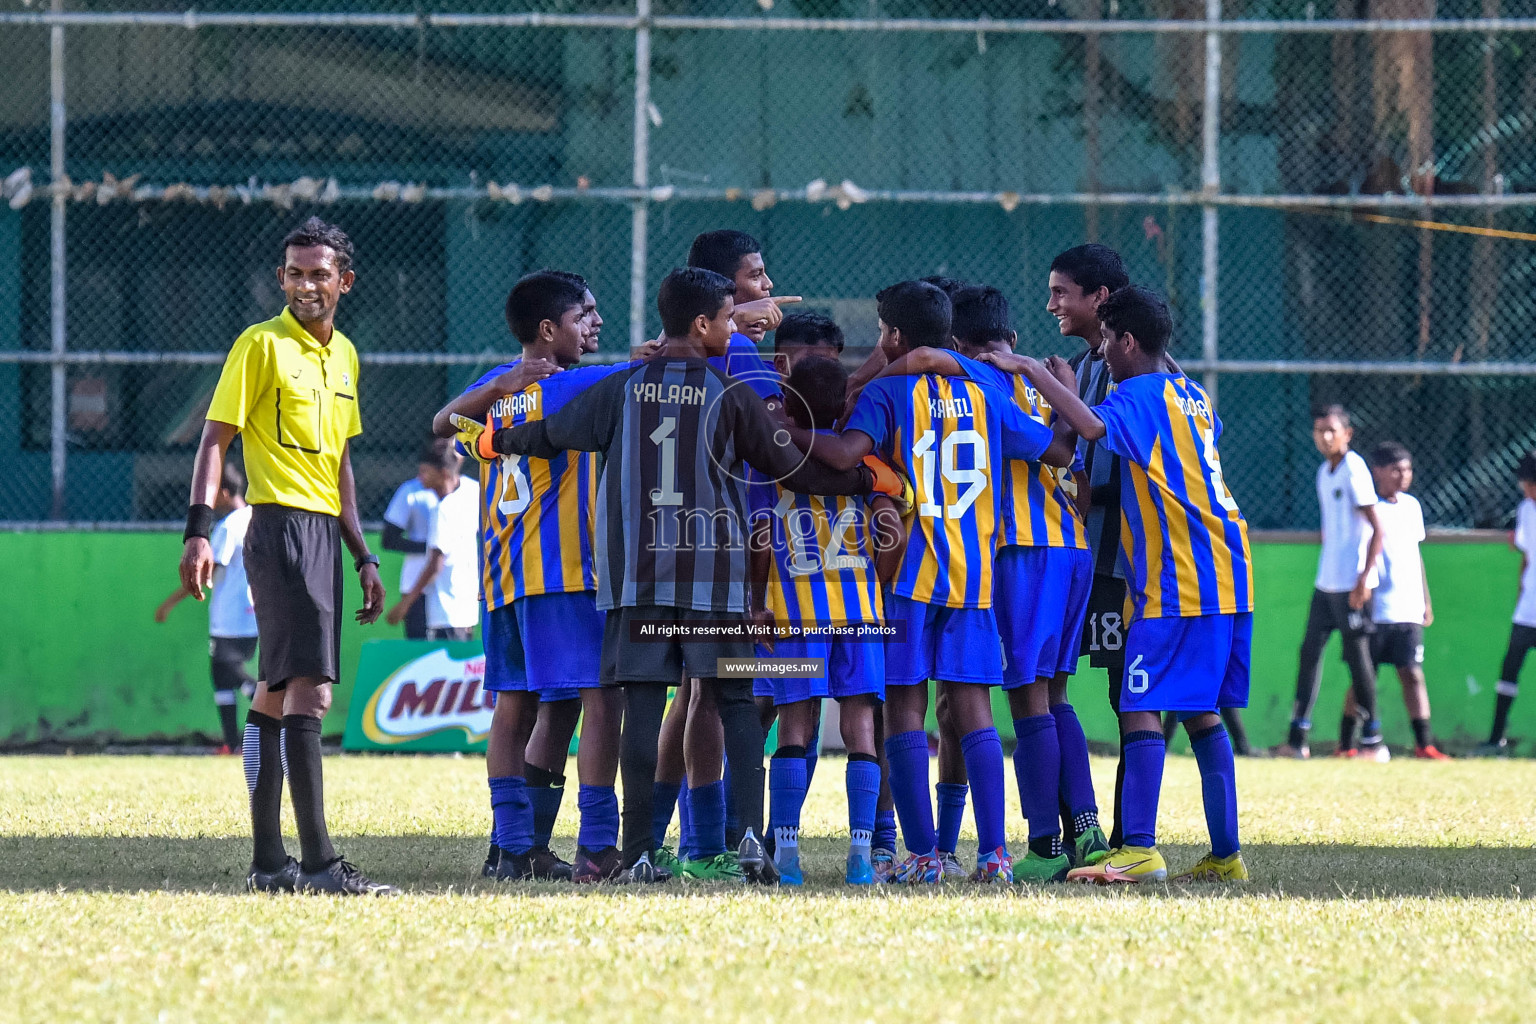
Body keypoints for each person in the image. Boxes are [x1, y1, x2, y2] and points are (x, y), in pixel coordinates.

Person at [466, 266, 891, 884]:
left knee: (642, 706)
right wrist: (864, 478)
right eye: (724, 319)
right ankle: (748, 839)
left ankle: (637, 851)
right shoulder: (731, 392)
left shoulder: (620, 388)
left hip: (635, 581)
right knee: (738, 701)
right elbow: (795, 466)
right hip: (715, 581)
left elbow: (549, 435)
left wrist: (488, 441)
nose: (731, 330)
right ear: (701, 324)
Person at [777, 280, 1076, 885]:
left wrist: (784, 434)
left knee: (907, 709)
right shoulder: (988, 388)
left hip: (909, 575)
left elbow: (844, 454)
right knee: (975, 711)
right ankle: (993, 855)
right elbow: (1057, 453)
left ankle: (923, 855)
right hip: (972, 575)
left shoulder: (888, 391)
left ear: (892, 335)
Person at [998, 285, 1253, 885]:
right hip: (1229, 570)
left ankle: (1137, 847)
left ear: (1129, 341)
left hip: (1179, 578)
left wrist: (1033, 372)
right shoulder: (1193, 396)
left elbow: (1086, 428)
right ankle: (1226, 854)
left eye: (1109, 341)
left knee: (1140, 704)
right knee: (1201, 711)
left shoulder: (1136, 393)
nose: (1103, 353)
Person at [179, 216, 391, 895]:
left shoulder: (347, 356)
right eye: (295, 273)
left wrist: (364, 554)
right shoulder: (260, 345)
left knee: (274, 695)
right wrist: (198, 529)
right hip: (278, 528)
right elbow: (215, 440)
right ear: (282, 279)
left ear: (344, 282)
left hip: (324, 533)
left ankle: (271, 866)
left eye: (319, 274)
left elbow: (341, 462)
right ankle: (323, 866)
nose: (306, 285)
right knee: (311, 691)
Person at [891, 283, 1109, 882]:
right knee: (1042, 693)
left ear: (955, 344)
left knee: (1001, 698)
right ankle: (1083, 827)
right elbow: (1077, 458)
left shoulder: (974, 384)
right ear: (1011, 338)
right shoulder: (1047, 380)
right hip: (1073, 548)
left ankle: (1038, 842)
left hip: (1013, 551)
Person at [434, 271, 628, 882]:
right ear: (549, 329)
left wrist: (501, 384)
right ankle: (599, 842)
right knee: (603, 696)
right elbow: (653, 376)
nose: (596, 323)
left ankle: (514, 847)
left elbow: (443, 425)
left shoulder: (495, 390)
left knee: (518, 706)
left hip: (500, 574)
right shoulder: (578, 385)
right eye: (584, 315)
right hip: (564, 571)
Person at [753, 355, 906, 885]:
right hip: (859, 613)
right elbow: (893, 528)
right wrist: (879, 586)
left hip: (795, 615)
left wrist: (756, 600)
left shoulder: (771, 459)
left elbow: (756, 537)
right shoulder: (865, 467)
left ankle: (788, 856)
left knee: (795, 726)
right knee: (861, 726)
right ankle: (861, 858)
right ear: (846, 405)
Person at [1049, 244, 1138, 849]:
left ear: (1099, 299)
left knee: (1128, 698)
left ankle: (1132, 839)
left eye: (1062, 292)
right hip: (1066, 558)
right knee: (1045, 686)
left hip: (1120, 566)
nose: (1052, 302)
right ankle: (1077, 832)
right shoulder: (1078, 366)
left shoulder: (1142, 369)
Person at [1276, 405, 1387, 761]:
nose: (1325, 437)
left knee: (1358, 658)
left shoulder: (1354, 468)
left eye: (1332, 430)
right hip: (1326, 583)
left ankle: (1373, 740)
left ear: (1347, 434)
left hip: (1352, 584)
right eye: (1319, 430)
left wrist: (1365, 578)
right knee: (1309, 654)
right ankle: (1297, 741)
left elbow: (1377, 528)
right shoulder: (1326, 472)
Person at [1335, 443, 1447, 759]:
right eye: (1396, 469)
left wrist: (1425, 600)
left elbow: (1415, 556)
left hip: (1407, 609)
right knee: (1363, 678)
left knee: (1412, 674)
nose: (1403, 475)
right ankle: (1346, 745)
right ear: (1378, 472)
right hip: (1375, 608)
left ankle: (1424, 744)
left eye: (1408, 469)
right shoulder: (1369, 508)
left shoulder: (1411, 507)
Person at [155, 462, 257, 754]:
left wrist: (169, 603)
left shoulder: (229, 526)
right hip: (252, 613)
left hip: (229, 615)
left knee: (230, 670)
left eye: (213, 492)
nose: (209, 499)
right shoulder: (254, 518)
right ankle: (232, 743)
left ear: (225, 491)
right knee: (221, 675)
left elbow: (206, 571)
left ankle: (266, 701)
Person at [384, 439, 479, 642]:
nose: (421, 478)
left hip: (446, 610)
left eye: (425, 472)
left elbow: (436, 565)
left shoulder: (445, 508)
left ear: (443, 474)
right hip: (457, 608)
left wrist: (405, 604)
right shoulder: (461, 496)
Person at [1474, 450, 1536, 756]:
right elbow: (1526, 554)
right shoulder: (1526, 509)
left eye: (1529, 484)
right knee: (1510, 666)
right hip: (1528, 608)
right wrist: (1521, 591)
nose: (1526, 490)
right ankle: (1495, 738)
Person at [380, 444, 443, 640]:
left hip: (453, 592)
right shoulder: (412, 491)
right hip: (416, 587)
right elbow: (388, 540)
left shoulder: (469, 491)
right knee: (420, 655)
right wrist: (432, 548)